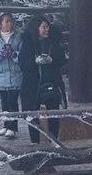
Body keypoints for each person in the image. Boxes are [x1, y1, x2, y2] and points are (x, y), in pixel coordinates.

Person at [19, 16, 67, 144]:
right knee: (32, 115)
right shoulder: (28, 43)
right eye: (44, 27)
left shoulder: (53, 41)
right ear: (36, 29)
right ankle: (35, 142)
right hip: (32, 85)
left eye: (48, 27)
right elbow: (22, 64)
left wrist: (52, 60)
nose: (47, 29)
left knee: (53, 115)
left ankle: (54, 142)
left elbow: (62, 60)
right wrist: (35, 62)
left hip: (51, 82)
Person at [0, 12, 23, 135]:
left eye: (11, 21)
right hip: (1, 74)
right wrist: (0, 53)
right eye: (6, 21)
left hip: (15, 74)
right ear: (0, 23)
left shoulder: (18, 36)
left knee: (13, 102)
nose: (9, 24)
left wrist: (13, 54)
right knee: (4, 102)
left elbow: (22, 53)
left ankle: (13, 127)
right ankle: (6, 124)